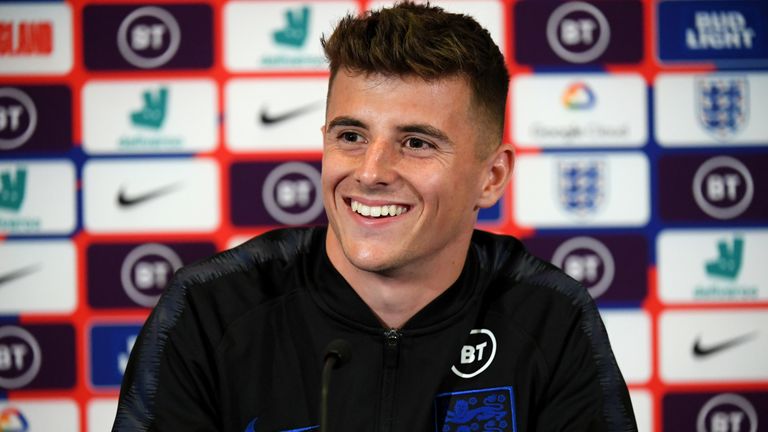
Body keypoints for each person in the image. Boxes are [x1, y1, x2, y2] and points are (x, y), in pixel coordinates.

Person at [114, 2, 637, 431]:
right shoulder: (210, 310)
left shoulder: (550, 316)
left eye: (415, 142)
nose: (371, 172)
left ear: (492, 176)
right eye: (351, 137)